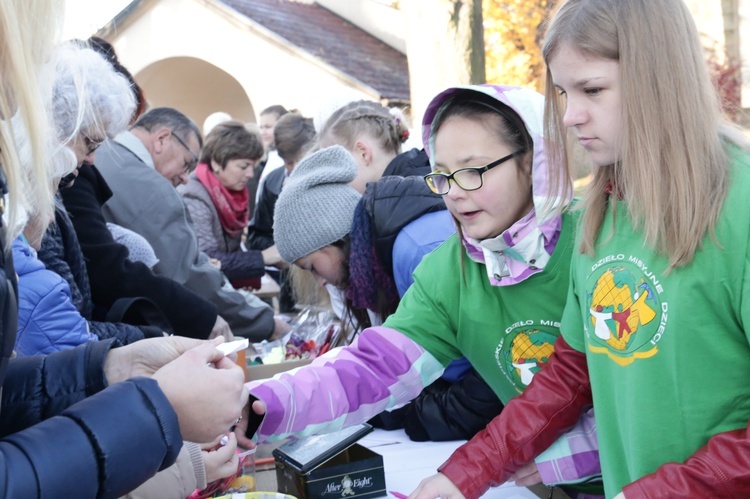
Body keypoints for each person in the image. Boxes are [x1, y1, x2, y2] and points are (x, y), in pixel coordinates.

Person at [408, 0, 750, 498]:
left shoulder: (739, 203)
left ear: (660, 78)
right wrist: (462, 476)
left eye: (592, 89)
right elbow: (571, 372)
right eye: (564, 92)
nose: (570, 116)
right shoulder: (602, 209)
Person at [240, 85, 602, 490]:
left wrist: (580, 452)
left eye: (472, 170)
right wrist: (260, 405)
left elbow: (655, 387)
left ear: (534, 161)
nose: (456, 193)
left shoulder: (597, 238)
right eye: (443, 176)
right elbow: (373, 367)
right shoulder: (451, 269)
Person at [0, 4, 248, 496]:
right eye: (90, 142)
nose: (92, 160)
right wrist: (159, 410)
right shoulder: (30, 217)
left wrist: (114, 366)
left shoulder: (41, 207)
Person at [39, 43, 223, 341]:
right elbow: (66, 323)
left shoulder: (61, 181)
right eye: (93, 143)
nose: (92, 158)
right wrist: (145, 342)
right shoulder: (55, 188)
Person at [72, 107, 285, 341]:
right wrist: (261, 322)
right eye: (187, 163)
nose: (185, 178)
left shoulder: (103, 154)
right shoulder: (153, 189)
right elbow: (187, 277)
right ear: (162, 139)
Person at [180, 120, 284, 291]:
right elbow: (208, 259)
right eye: (243, 166)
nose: (250, 174)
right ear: (216, 163)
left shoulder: (231, 193)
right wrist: (263, 257)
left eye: (253, 166)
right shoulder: (193, 195)